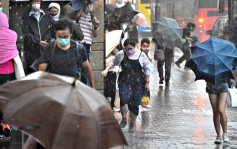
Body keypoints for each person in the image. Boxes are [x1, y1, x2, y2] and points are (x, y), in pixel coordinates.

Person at [101, 39, 153, 132]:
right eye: (127, 49)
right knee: (124, 98)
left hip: (138, 82)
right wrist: (106, 70)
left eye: (131, 48)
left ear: (135, 47)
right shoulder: (121, 54)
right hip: (124, 80)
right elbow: (113, 63)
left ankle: (132, 123)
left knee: (135, 103)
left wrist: (147, 82)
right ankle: (124, 118)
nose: (129, 51)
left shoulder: (141, 55)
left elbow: (147, 68)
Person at [38, 18, 95, 88]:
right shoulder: (49, 48)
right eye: (59, 37)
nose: (62, 39)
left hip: (72, 88)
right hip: (54, 87)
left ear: (71, 34)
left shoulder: (78, 48)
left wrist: (92, 86)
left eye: (65, 37)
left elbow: (87, 68)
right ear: (55, 34)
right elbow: (42, 69)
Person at [21, 0, 53, 74]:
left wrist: (45, 40)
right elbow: (26, 32)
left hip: (44, 47)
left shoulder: (46, 14)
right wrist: (38, 41)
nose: (36, 4)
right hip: (31, 48)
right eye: (34, 1)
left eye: (38, 1)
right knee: (31, 70)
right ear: (30, 2)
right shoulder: (26, 15)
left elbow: (50, 29)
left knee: (44, 70)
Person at [76, 3, 99, 85]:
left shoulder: (93, 18)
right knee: (75, 68)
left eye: (90, 5)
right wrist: (81, 7)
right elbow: (75, 17)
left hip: (87, 45)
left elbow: (95, 35)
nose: (89, 7)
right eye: (88, 4)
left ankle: (83, 88)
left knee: (85, 70)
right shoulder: (79, 15)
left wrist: (96, 26)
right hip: (78, 43)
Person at [205, 78, 230, 144]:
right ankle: (218, 135)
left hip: (223, 84)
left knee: (221, 110)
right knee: (215, 111)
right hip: (211, 85)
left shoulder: (225, 67)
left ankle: (225, 134)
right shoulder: (208, 67)